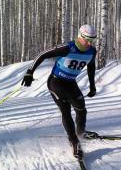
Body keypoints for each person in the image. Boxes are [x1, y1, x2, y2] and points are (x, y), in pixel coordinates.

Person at [21, 24, 98, 159]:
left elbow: (91, 68)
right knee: (66, 111)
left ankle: (81, 132)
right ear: (80, 36)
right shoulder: (68, 47)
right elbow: (43, 54)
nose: (89, 43)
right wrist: (29, 72)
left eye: (92, 40)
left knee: (81, 109)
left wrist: (92, 86)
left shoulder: (92, 51)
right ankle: (74, 141)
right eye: (87, 39)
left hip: (70, 83)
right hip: (56, 82)